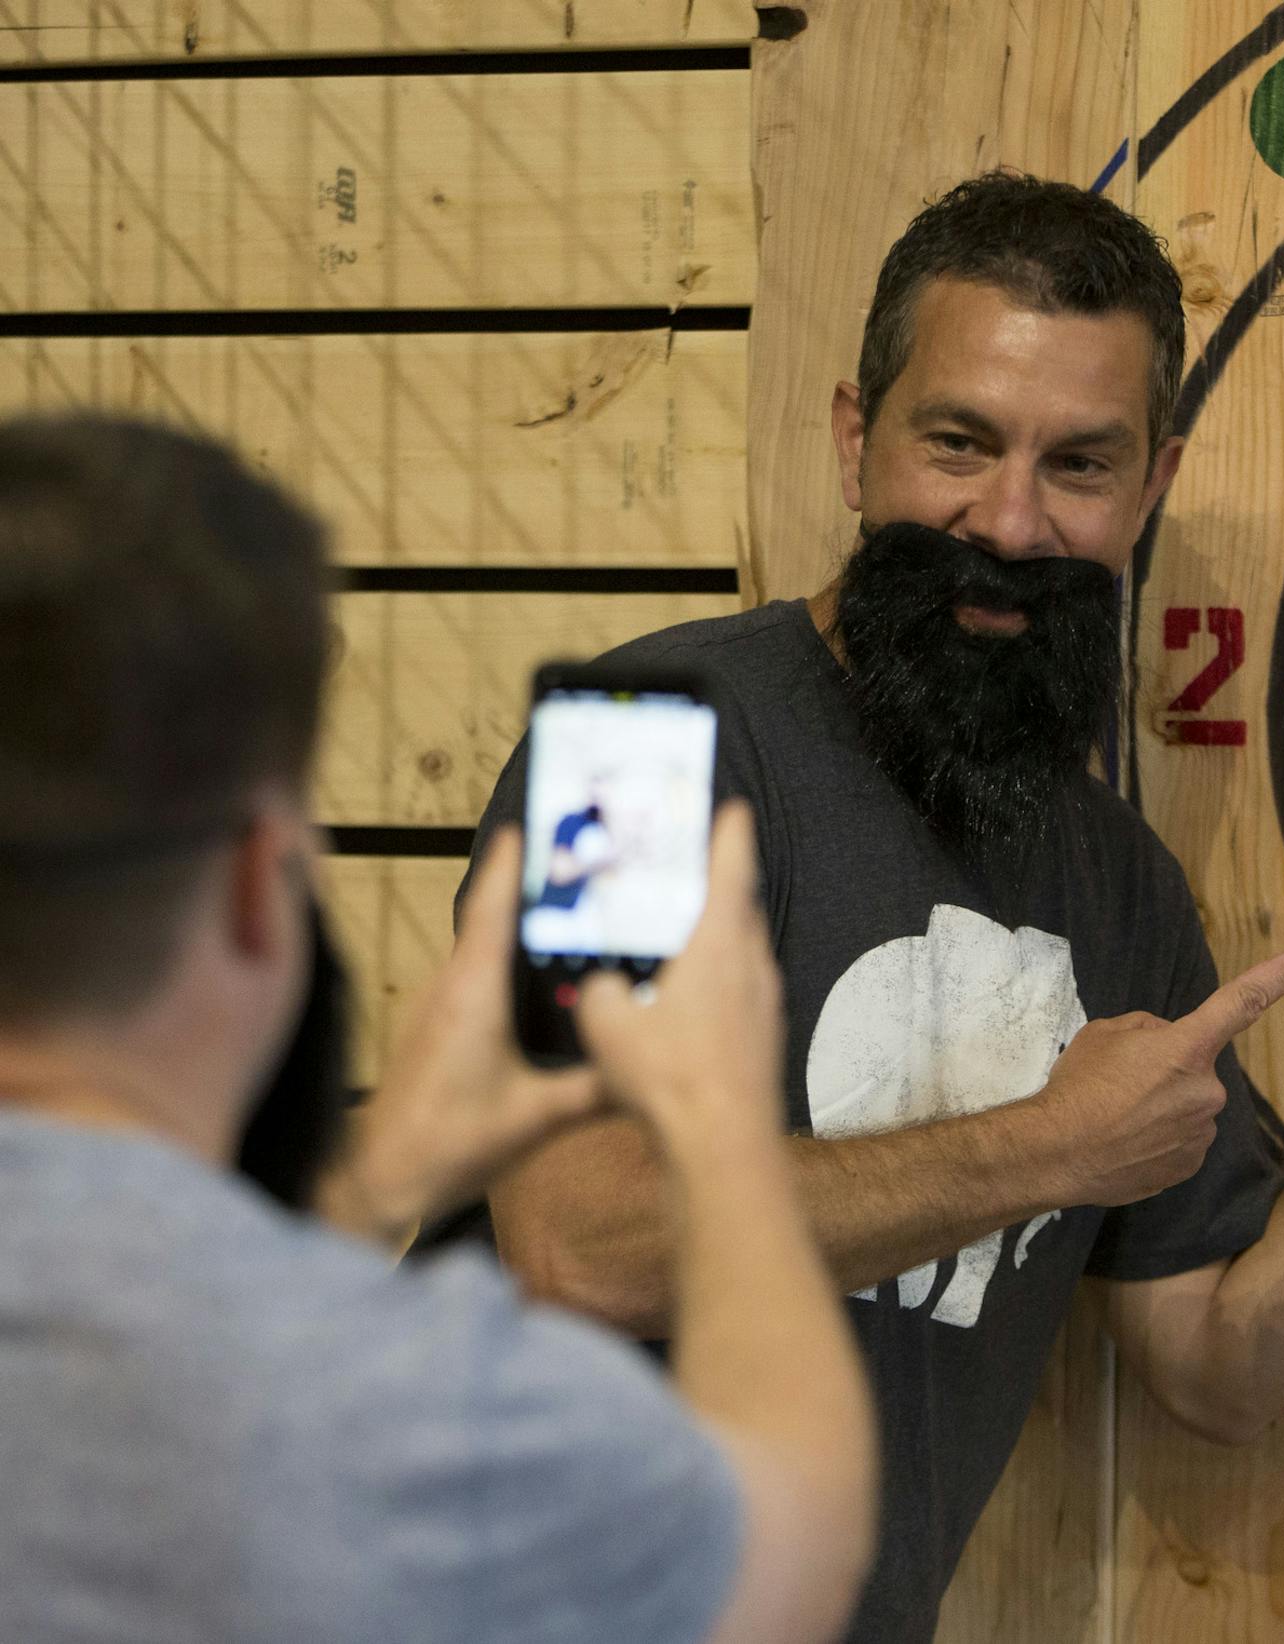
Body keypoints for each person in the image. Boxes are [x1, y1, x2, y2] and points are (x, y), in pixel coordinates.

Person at [467, 172, 1284, 1643]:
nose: (1008, 523)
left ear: (1152, 485)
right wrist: (1049, 1148)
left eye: (1081, 466)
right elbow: (578, 1247)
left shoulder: (1120, 888)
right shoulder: (639, 741)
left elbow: (1216, 1357)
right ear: (853, 439)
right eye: (958, 441)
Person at [0, 414, 876, 1644]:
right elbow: (787, 1550)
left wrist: (380, 1175)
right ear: (263, 890)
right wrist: (719, 1121)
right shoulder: (433, 1418)